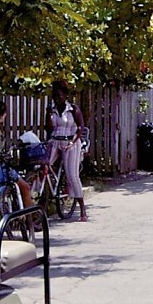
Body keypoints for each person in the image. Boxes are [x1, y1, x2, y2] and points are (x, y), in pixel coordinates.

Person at [46, 79, 88, 222]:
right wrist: (48, 115)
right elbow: (49, 129)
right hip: (55, 140)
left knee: (72, 175)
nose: (56, 99)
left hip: (71, 142)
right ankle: (41, 196)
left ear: (65, 96)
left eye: (59, 96)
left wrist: (72, 143)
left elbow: (80, 128)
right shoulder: (52, 110)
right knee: (43, 165)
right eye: (54, 96)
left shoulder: (73, 109)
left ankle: (82, 208)